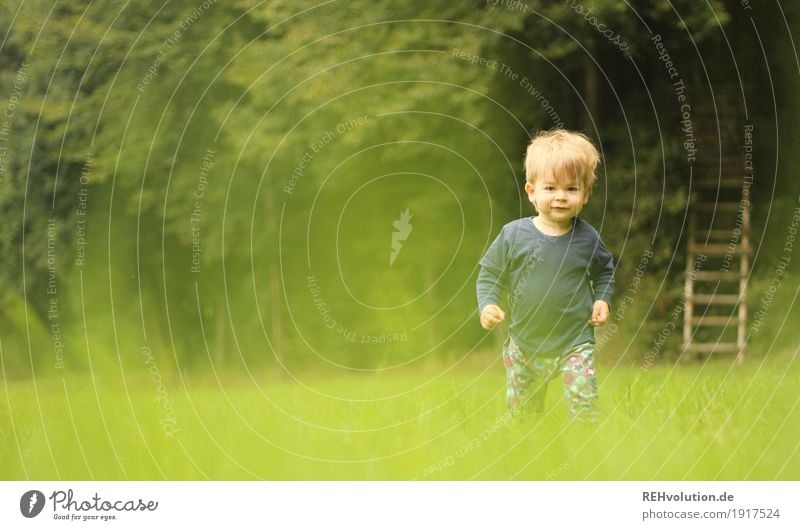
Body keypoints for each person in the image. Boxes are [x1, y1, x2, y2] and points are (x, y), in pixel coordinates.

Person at [476, 129, 615, 421]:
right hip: (525, 345)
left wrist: (603, 299)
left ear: (586, 194)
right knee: (523, 418)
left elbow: (604, 270)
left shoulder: (587, 238)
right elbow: (489, 274)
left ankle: (588, 454)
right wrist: (487, 303)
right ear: (531, 191)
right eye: (550, 188)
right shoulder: (514, 235)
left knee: (585, 405)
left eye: (572, 189)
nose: (561, 197)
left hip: (575, 341)